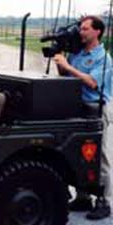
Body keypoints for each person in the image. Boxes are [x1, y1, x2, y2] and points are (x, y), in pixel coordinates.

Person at [54, 15, 113, 220]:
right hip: (76, 106)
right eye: (81, 29)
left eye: (86, 29)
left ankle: (104, 201)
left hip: (96, 107)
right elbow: (65, 76)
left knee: (101, 157)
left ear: (97, 31)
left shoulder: (103, 57)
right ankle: (83, 197)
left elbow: (92, 83)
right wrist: (60, 59)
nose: (82, 32)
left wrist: (69, 67)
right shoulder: (77, 54)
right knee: (79, 153)